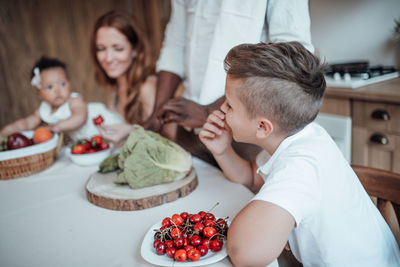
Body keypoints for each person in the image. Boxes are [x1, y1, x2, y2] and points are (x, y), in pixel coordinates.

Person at [199, 42, 400, 266]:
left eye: (229, 106)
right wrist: (223, 150)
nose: (221, 111)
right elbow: (253, 180)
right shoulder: (300, 135)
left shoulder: (299, 167)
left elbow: (245, 253)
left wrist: (271, 224)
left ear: (263, 128)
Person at [144, 0, 314, 164]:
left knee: (243, 190)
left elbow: (291, 59)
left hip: (246, 131)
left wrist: (208, 112)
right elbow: (175, 45)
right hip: (189, 125)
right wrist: (156, 114)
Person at [91, 10, 167, 144]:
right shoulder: (114, 86)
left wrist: (130, 130)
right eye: (101, 49)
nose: (108, 58)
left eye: (118, 49)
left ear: (135, 50)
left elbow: (163, 140)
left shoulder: (147, 87)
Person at [0, 56, 88, 139]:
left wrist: (57, 127)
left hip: (89, 138)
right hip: (69, 147)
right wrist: (5, 132)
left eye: (62, 84)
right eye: (49, 87)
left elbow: (79, 117)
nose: (57, 91)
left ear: (69, 83)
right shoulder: (44, 110)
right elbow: (26, 123)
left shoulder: (74, 101)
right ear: (40, 93)